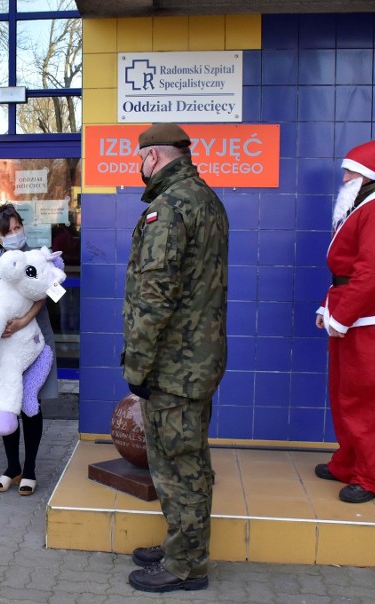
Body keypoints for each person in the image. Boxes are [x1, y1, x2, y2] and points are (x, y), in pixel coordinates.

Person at [122, 123, 228, 593]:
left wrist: (137, 364)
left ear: (154, 158)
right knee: (188, 458)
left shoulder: (167, 209)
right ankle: (180, 547)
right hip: (198, 358)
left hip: (174, 365)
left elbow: (155, 295)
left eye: (140, 158)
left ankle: (186, 566)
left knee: (178, 465)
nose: (138, 166)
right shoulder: (205, 198)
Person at [314, 139, 375, 504]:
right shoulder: (367, 207)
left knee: (365, 399)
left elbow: (371, 273)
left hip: (368, 318)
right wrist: (330, 308)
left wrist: (343, 313)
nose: (344, 176)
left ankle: (371, 477)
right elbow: (349, 271)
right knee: (344, 392)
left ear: (367, 175)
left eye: (350, 170)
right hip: (354, 312)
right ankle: (349, 461)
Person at [0, 203, 58, 497]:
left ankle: (32, 468)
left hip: (36, 341)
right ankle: (12, 466)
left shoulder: (38, 254)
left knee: (30, 403)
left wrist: (24, 319)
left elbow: (52, 292)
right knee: (6, 402)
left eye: (17, 227)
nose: (14, 234)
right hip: (4, 343)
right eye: (7, 232)